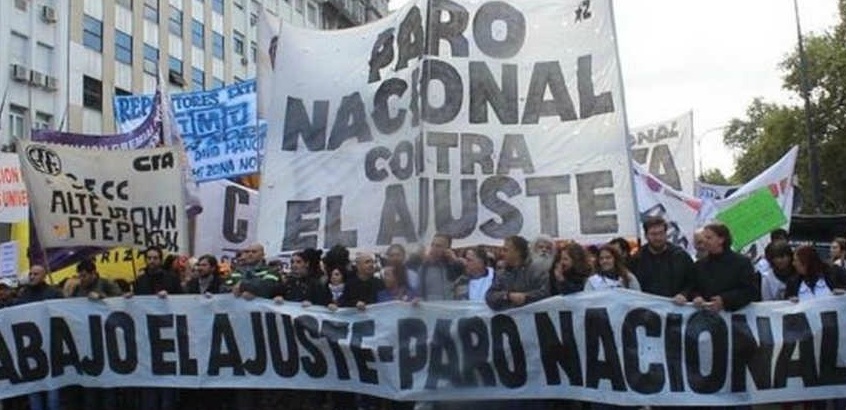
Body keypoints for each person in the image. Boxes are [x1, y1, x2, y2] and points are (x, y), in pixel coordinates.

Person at [785, 245, 846, 410]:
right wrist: (789, 303)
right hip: (810, 342)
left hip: (838, 341)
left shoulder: (835, 274)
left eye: (797, 261)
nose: (794, 264)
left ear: (807, 262)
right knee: (817, 387)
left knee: (840, 384)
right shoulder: (794, 282)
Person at [131, 246, 183, 410]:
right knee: (149, 379)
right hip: (146, 336)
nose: (152, 261)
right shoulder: (139, 281)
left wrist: (170, 298)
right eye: (149, 258)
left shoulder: (172, 279)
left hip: (168, 334)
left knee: (167, 380)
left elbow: (183, 301)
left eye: (155, 258)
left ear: (160, 260)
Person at [68, 259, 122, 410]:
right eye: (79, 276)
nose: (81, 279)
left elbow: (120, 302)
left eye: (84, 275)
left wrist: (102, 297)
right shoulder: (77, 289)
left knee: (108, 390)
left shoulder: (107, 284)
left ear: (94, 274)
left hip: (107, 343)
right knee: (90, 390)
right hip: (87, 343)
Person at [674, 223, 757, 312]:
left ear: (721, 240)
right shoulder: (699, 265)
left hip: (734, 315)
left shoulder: (742, 263)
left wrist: (724, 300)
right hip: (704, 315)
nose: (705, 241)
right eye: (704, 238)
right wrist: (697, 297)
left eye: (708, 238)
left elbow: (750, 291)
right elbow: (692, 287)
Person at [16, 265, 62, 410]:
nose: (32, 276)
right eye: (30, 274)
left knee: (53, 390)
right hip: (31, 350)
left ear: (44, 276)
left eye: (36, 274)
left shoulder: (54, 293)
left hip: (52, 348)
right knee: (34, 390)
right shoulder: (23, 295)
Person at [631, 216, 695, 297]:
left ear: (666, 234)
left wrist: (684, 294)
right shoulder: (637, 259)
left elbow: (693, 281)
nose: (658, 238)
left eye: (661, 233)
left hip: (676, 303)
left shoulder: (680, 256)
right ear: (646, 236)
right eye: (653, 234)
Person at [486, 235, 550, 311]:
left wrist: (525, 297)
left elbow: (545, 293)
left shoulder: (537, 271)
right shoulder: (501, 274)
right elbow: (490, 296)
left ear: (517, 252)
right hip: (508, 316)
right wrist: (507, 295)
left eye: (505, 250)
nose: (502, 253)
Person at [417, 234, 465, 301]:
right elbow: (419, 293)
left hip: (450, 306)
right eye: (432, 245)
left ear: (448, 249)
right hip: (430, 306)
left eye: (438, 246)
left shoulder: (453, 266)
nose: (434, 248)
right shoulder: (424, 268)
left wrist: (455, 261)